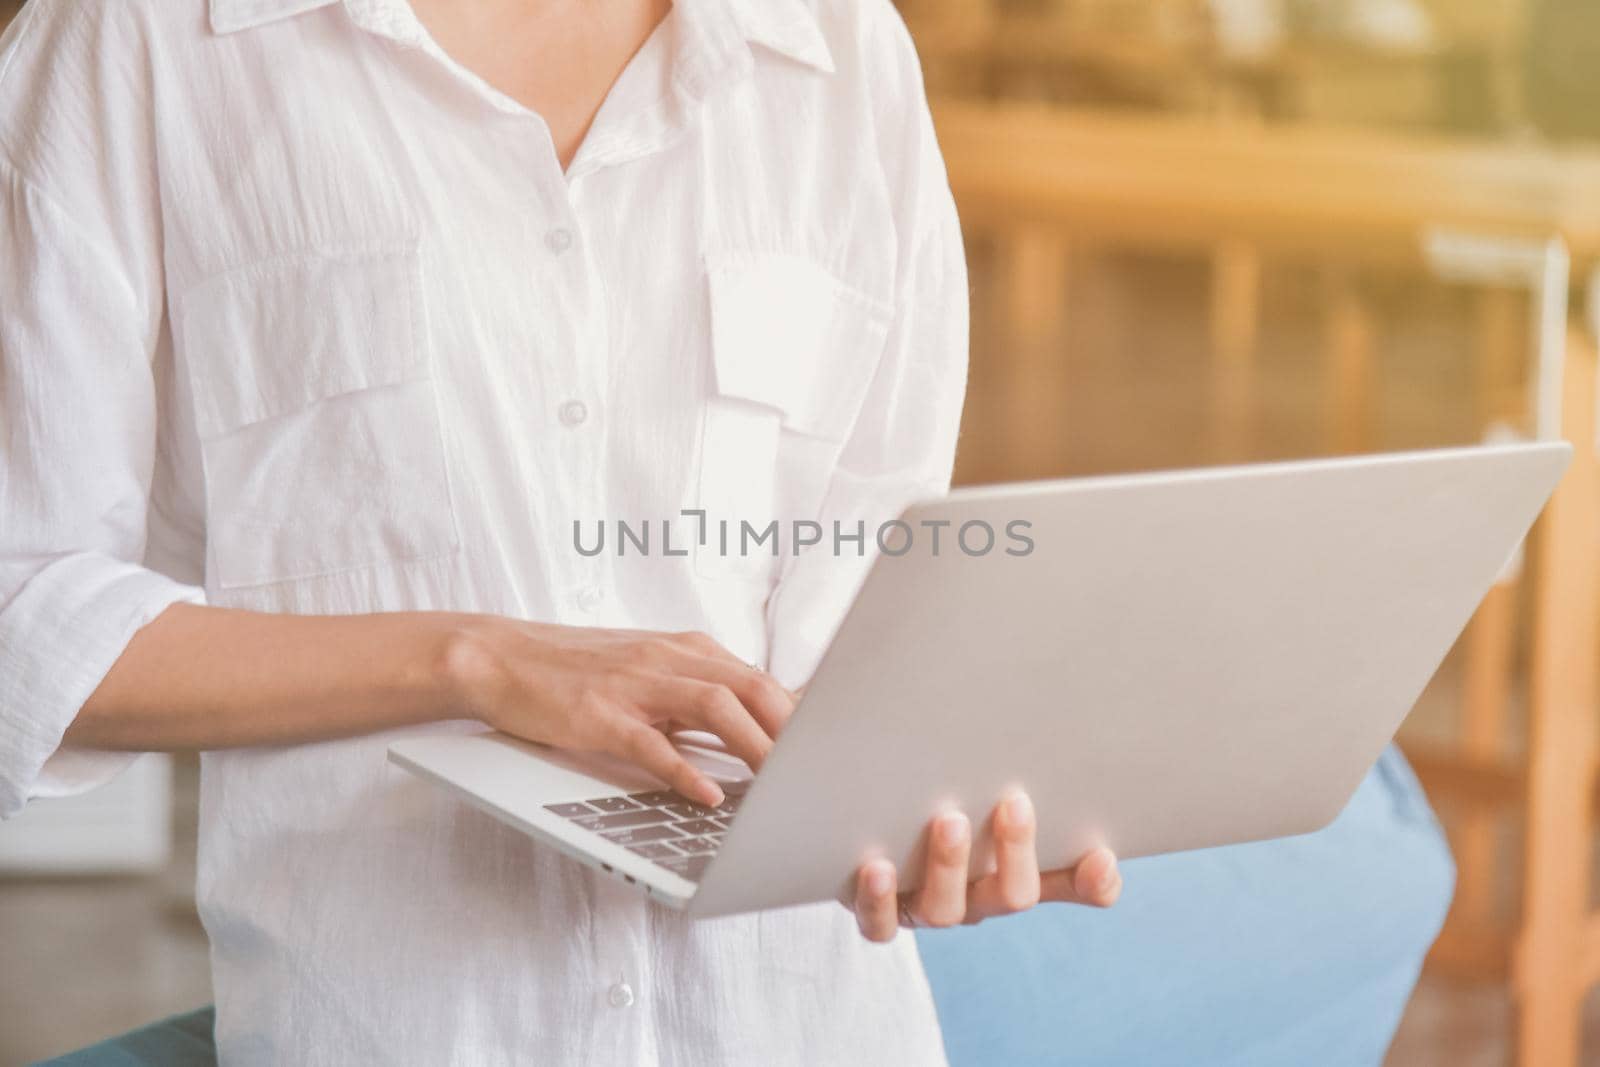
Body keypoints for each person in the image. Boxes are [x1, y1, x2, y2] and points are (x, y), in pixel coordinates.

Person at [0, 0, 1121, 1063]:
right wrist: (476, 661)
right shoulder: (147, 37)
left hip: (809, 1025)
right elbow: (22, 609)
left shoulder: (839, 49)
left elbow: (868, 616)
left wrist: (927, 813)